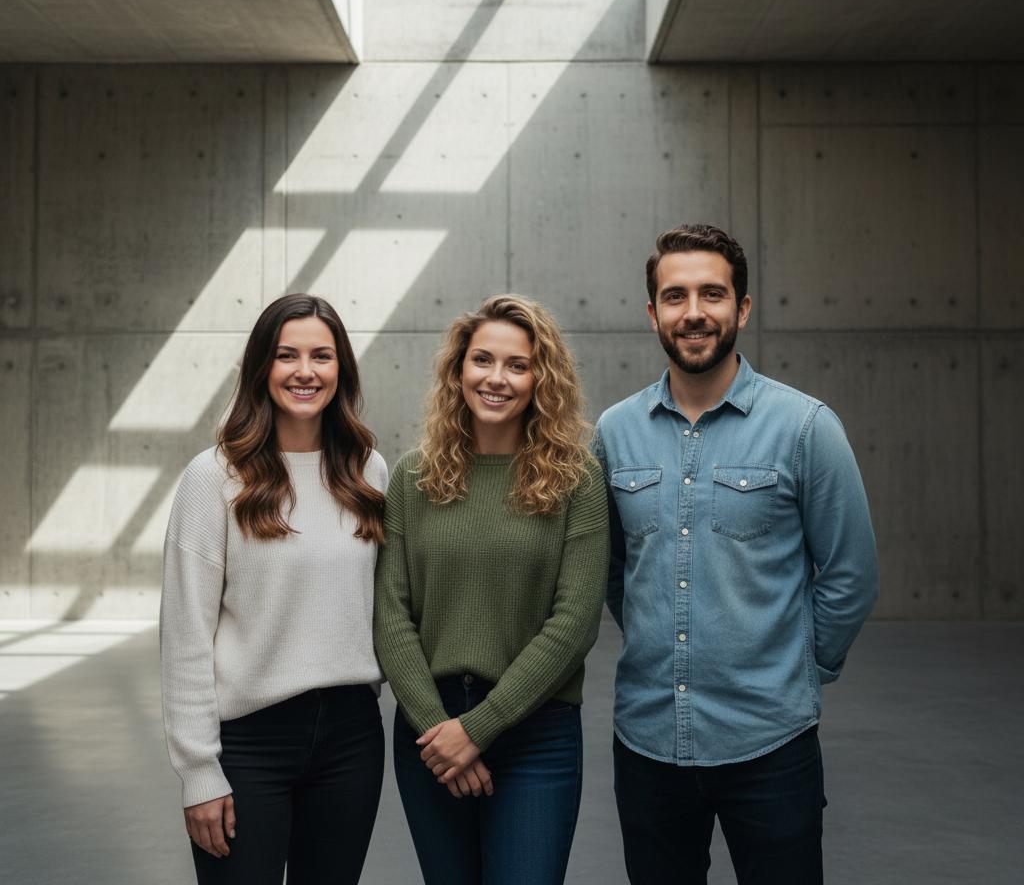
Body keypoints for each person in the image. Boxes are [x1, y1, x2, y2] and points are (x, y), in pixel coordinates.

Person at [592, 225, 879, 885]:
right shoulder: (615, 431)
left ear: (742, 308)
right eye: (675, 296)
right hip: (648, 741)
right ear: (653, 313)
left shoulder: (806, 427)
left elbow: (850, 572)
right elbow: (613, 569)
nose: (693, 312)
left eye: (712, 294)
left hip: (770, 744)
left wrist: (802, 669)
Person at [374, 294, 610, 885]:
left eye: (518, 365)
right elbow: (391, 614)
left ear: (541, 379)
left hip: (536, 731)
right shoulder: (414, 477)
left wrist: (476, 730)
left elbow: (575, 622)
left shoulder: (577, 481)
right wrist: (440, 733)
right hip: (429, 728)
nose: (496, 378)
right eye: (482, 360)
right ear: (458, 370)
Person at [160, 293, 388, 885]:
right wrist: (198, 771)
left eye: (322, 355)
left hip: (351, 738)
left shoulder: (369, 473)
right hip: (247, 745)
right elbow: (185, 636)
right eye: (287, 355)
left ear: (343, 369)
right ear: (261, 367)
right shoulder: (212, 478)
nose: (305, 372)